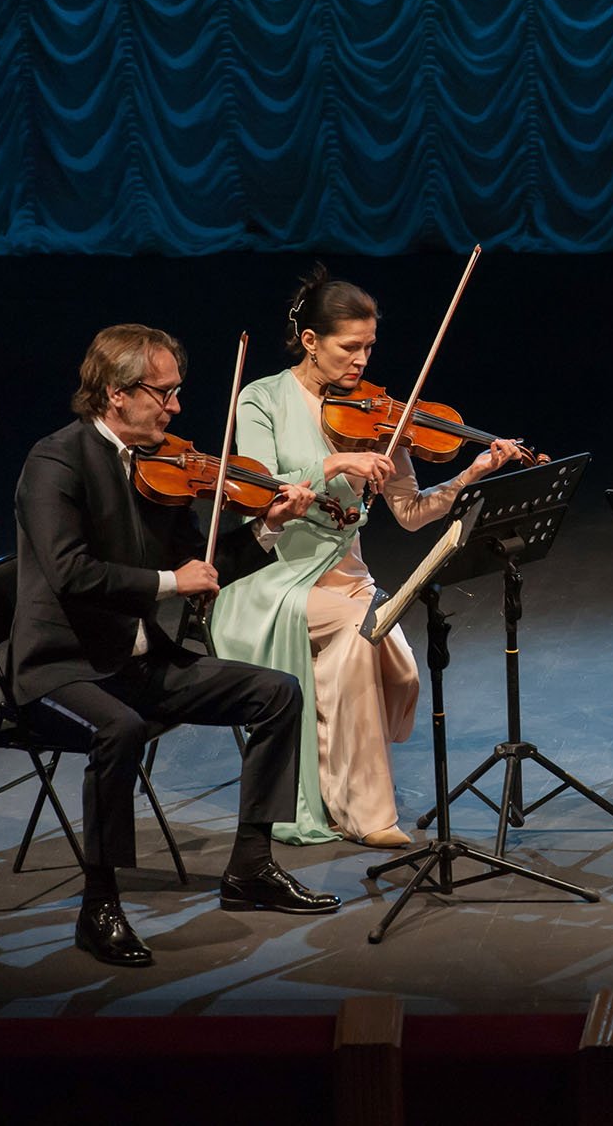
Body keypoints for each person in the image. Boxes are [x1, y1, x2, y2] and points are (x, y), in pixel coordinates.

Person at [11, 324, 341, 968]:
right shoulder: (56, 463)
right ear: (116, 393)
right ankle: (99, 906)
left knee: (278, 693)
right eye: (162, 393)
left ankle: (251, 868)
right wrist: (168, 582)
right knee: (121, 730)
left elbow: (202, 563)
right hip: (61, 670)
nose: (176, 407)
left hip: (138, 662)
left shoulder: (159, 466)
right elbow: (70, 572)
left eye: (176, 392)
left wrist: (268, 528)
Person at [209, 266, 525, 849]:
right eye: (349, 347)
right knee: (359, 641)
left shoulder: (376, 413)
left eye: (369, 347)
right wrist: (334, 463)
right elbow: (258, 490)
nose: (361, 360)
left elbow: (410, 512)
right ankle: (368, 813)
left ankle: (333, 772)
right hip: (273, 578)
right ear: (311, 341)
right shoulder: (262, 399)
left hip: (347, 577)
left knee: (402, 675)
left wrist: (472, 474)